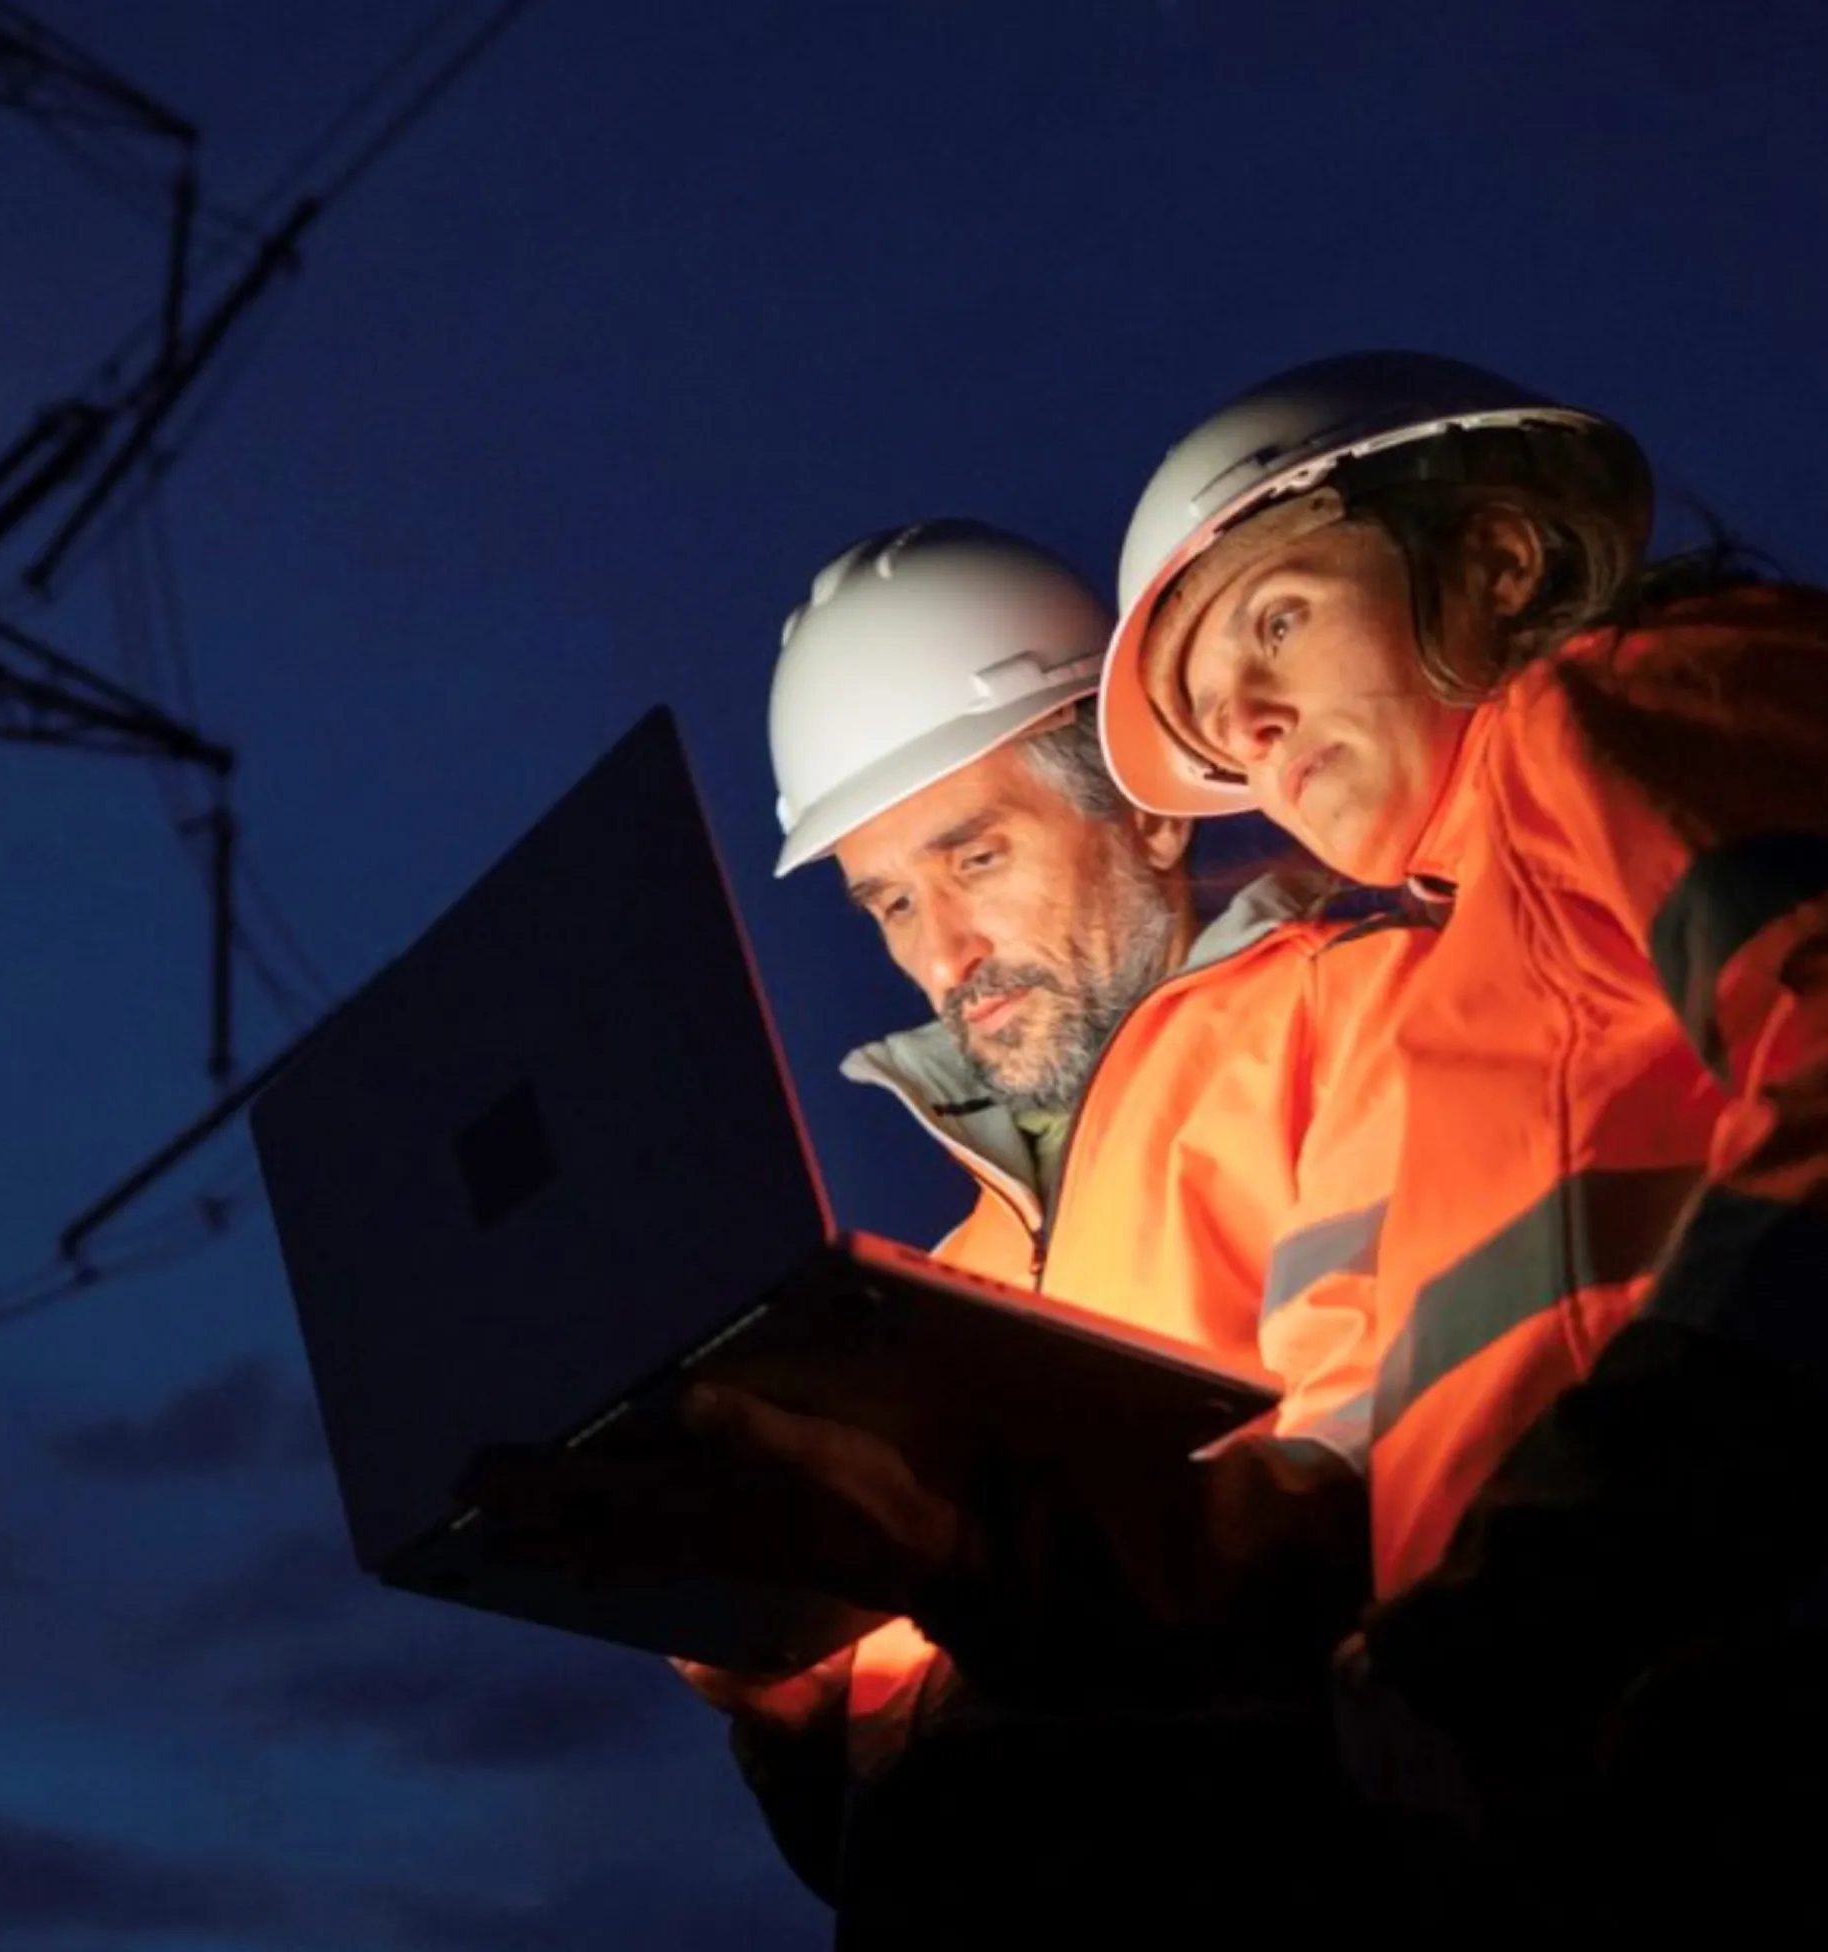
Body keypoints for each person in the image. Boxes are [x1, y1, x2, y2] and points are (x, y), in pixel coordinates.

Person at [472, 519, 1425, 1941]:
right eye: (891, 902)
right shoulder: (948, 1287)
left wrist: (965, 1551)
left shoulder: (1366, 1021)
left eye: (974, 857)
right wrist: (773, 1690)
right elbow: (884, 1846)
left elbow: (1380, 1566)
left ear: (1147, 811)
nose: (941, 956)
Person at [1095, 350, 1828, 1928]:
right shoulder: (1450, 976)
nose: (1254, 728)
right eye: (1216, 720)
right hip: (1610, 1762)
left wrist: (1557, 1583)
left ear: (1498, 555)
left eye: (1275, 623)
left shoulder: (1633, 694)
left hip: (1809, 1717)